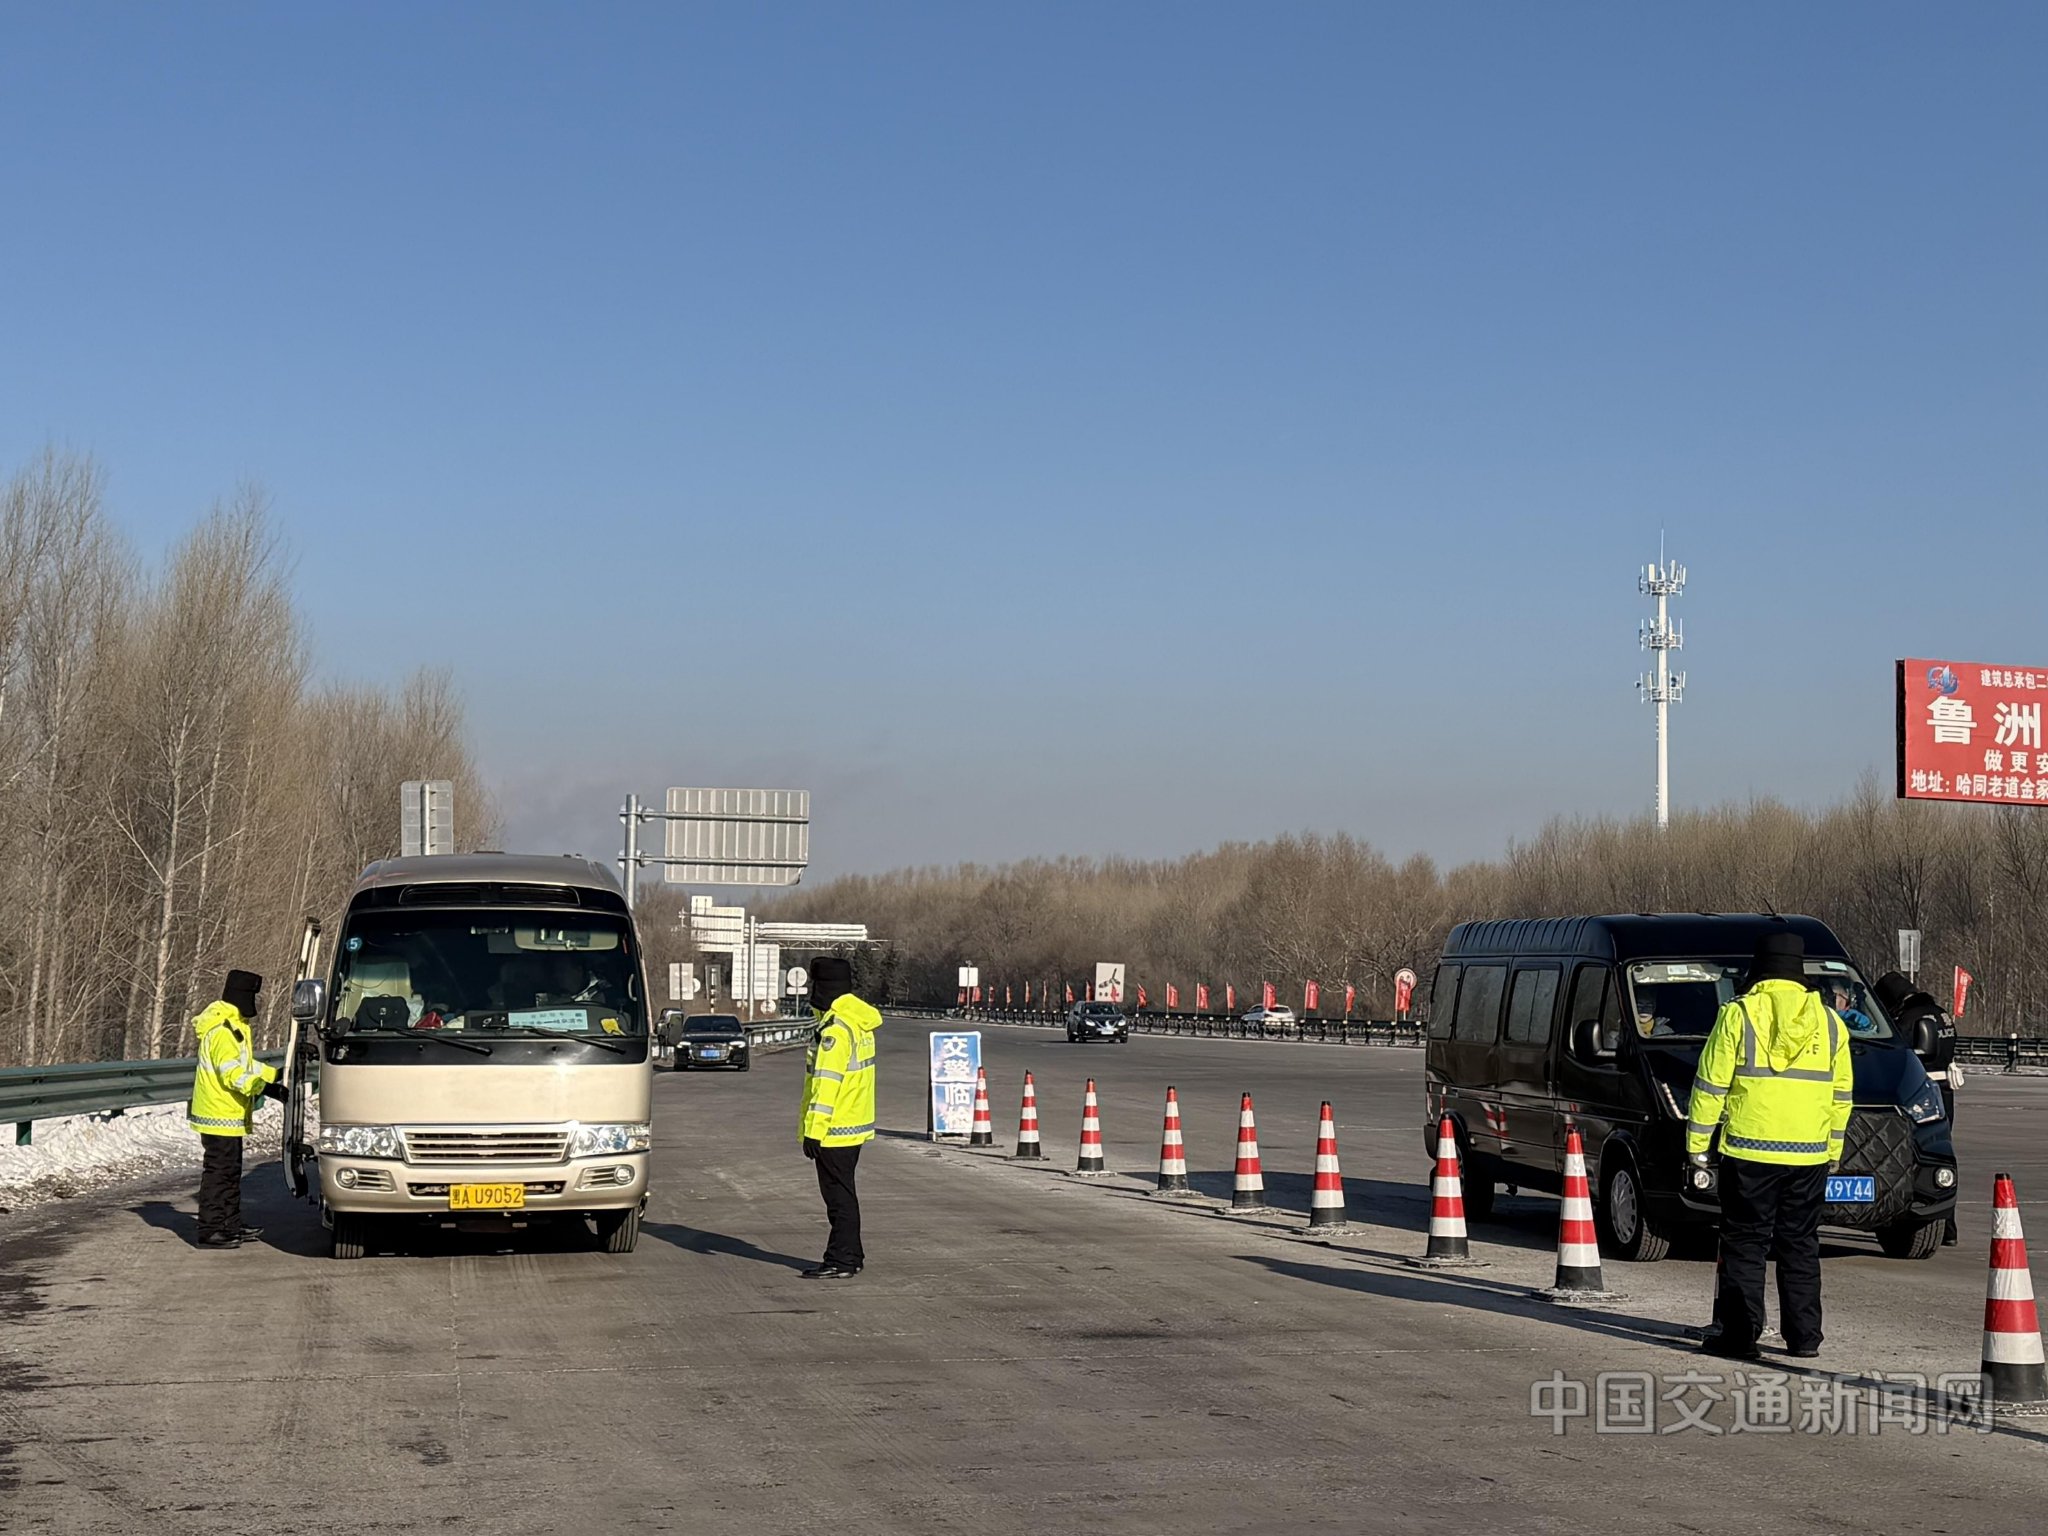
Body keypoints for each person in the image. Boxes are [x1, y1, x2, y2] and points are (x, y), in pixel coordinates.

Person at [1686, 932, 1853, 1361]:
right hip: (1810, 1154)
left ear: (1759, 968)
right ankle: (1805, 1338)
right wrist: (1833, 1151)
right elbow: (1841, 1096)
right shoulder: (1830, 1024)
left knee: (1746, 1244)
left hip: (1750, 1151)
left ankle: (1741, 1336)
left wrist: (1698, 1147)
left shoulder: (1738, 1015)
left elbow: (1710, 1086)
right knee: (1800, 1244)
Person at [187, 969, 287, 1249]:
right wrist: (265, 1088)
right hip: (217, 1114)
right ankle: (211, 1229)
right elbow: (232, 1074)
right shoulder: (223, 1032)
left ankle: (230, 1224)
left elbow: (246, 1065)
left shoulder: (235, 1026)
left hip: (228, 1115)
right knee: (218, 1174)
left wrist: (275, 1075)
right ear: (241, 996)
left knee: (230, 1173)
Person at [799, 956, 881, 1279]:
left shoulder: (835, 1030)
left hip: (833, 1130)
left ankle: (841, 1260)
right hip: (852, 1126)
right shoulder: (857, 1022)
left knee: (838, 1199)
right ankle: (851, 1255)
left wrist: (814, 1130)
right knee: (844, 1193)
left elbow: (826, 1084)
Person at [1874, 970, 1960, 1245]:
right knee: (1940, 1153)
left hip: (1918, 1094)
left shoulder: (1908, 1019)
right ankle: (1948, 1227)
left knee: (1916, 1157)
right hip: (1944, 1092)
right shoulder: (1942, 1014)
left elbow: (1893, 1054)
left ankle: (1912, 1217)